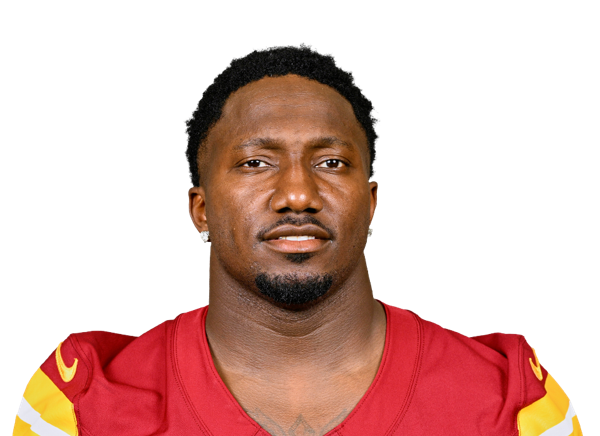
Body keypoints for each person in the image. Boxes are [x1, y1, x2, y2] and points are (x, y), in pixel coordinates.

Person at [13, 45, 583, 436]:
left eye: (330, 162)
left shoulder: (511, 402)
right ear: (200, 208)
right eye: (255, 162)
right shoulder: (83, 406)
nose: (297, 195)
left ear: (372, 202)